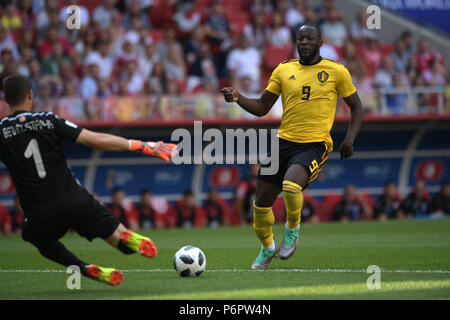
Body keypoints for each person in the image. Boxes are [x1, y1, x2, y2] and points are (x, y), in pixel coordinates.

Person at [0, 74, 177, 285]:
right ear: (30, 94)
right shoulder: (48, 120)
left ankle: (82, 268)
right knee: (121, 242)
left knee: (34, 236)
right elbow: (94, 140)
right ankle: (126, 236)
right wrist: (144, 146)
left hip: (39, 211)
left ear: (5, 99)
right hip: (74, 200)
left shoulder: (1, 130)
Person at [221, 25, 363, 269]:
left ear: (320, 42)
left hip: (315, 144)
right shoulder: (284, 70)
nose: (304, 42)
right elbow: (263, 107)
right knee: (260, 205)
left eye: (309, 39)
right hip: (283, 142)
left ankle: (292, 230)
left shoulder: (336, 71)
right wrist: (238, 97)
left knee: (290, 185)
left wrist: (349, 139)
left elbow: (357, 107)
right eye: (300, 39)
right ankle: (267, 249)